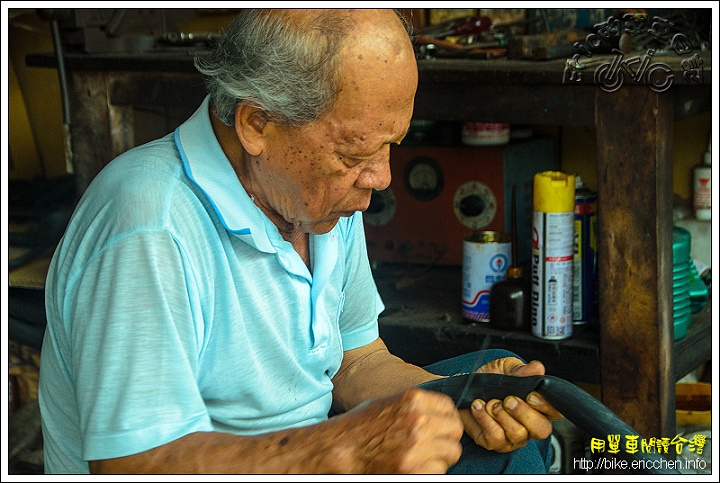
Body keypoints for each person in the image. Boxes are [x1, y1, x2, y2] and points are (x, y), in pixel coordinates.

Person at [38, 9, 563, 474]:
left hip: (306, 454)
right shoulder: (149, 225)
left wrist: (464, 398)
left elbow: (354, 363)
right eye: (354, 156)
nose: (379, 178)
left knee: (498, 421)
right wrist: (340, 453)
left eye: (389, 147)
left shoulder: (317, 199)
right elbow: (134, 465)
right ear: (257, 123)